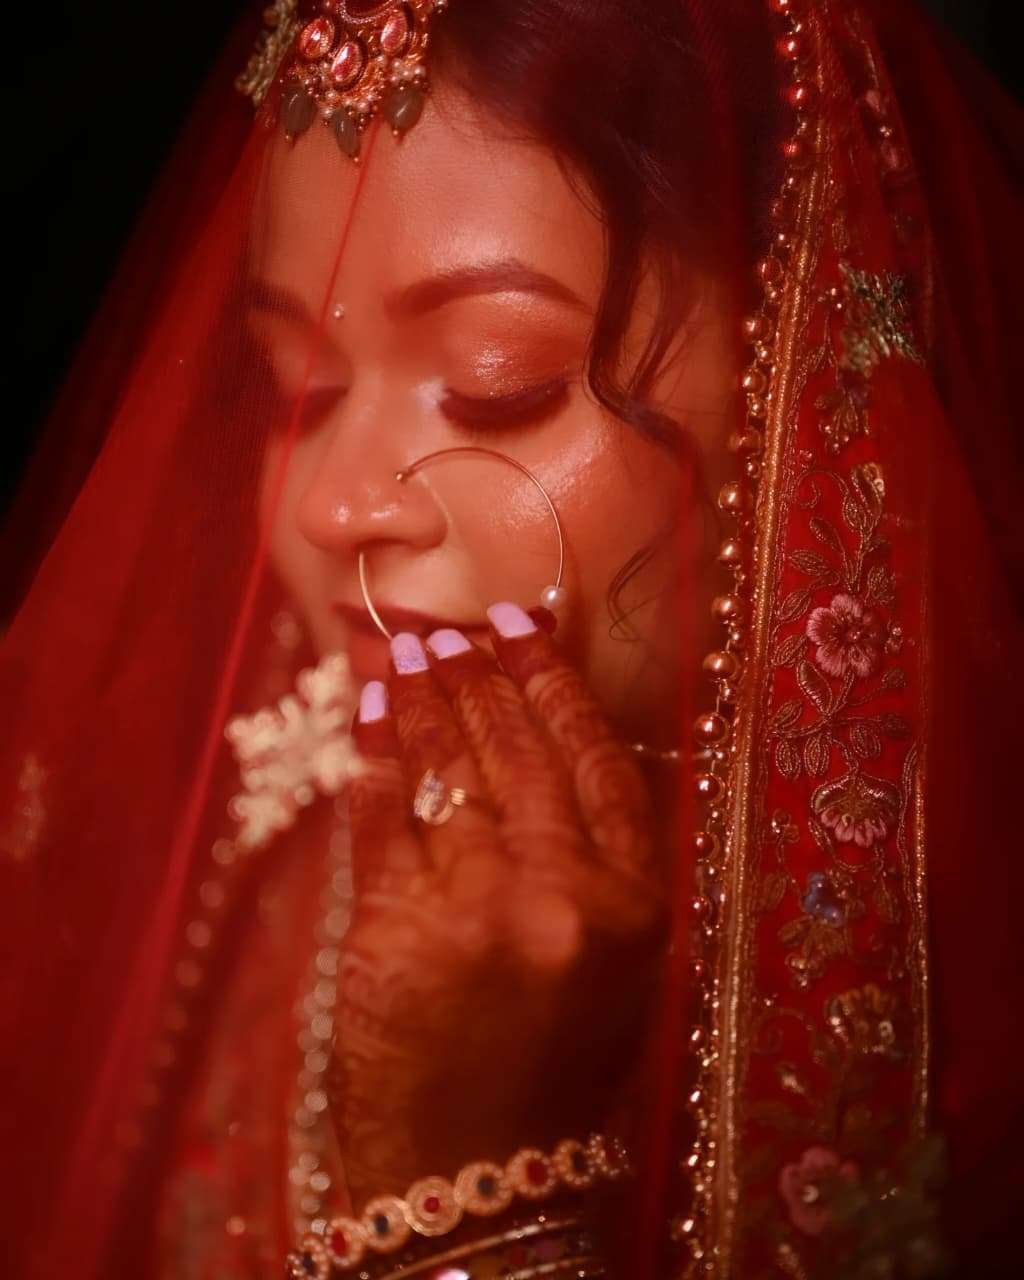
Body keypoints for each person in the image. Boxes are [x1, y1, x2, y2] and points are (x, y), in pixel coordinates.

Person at [1, 1, 1021, 1277]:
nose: (330, 506)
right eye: (297, 387)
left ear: (810, 387)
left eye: (499, 385)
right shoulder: (189, 885)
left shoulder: (979, 983)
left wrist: (465, 1193)